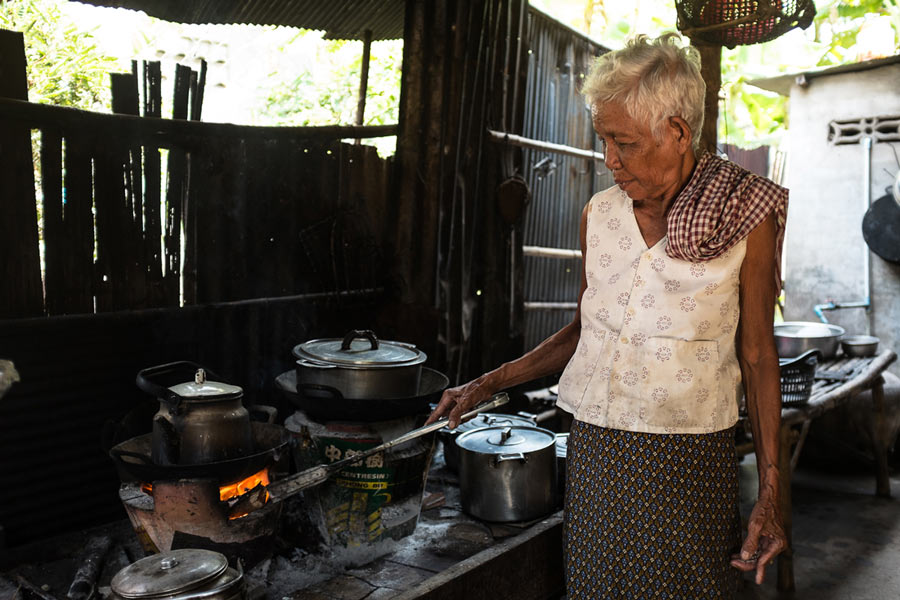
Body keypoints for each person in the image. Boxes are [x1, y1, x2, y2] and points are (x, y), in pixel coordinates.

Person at [426, 32, 788, 598]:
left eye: (625, 143)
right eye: (604, 141)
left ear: (677, 132)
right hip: (598, 446)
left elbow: (760, 354)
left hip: (687, 452)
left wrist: (770, 492)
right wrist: (484, 385)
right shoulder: (600, 213)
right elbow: (584, 331)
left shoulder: (743, 215)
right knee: (597, 586)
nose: (610, 161)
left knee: (690, 587)